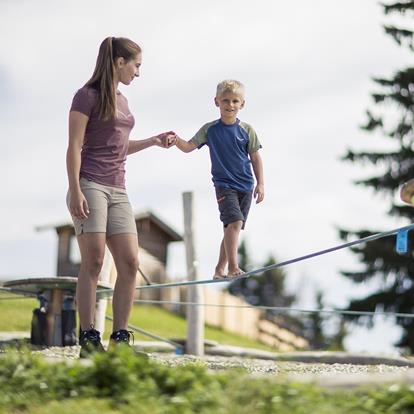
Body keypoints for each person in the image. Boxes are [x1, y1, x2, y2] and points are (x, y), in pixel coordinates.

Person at [66, 36, 175, 357]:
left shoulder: (124, 101)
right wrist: (75, 189)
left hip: (118, 188)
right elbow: (74, 145)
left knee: (129, 262)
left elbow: (118, 147)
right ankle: (88, 338)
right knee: (95, 261)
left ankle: (120, 340)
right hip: (90, 184)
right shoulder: (85, 97)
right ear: (119, 62)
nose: (138, 73)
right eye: (136, 65)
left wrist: (153, 141)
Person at [173, 79, 264, 279]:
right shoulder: (210, 129)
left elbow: (256, 158)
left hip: (246, 186)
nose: (230, 105)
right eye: (225, 101)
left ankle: (218, 270)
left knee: (232, 228)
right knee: (235, 223)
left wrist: (261, 184)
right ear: (216, 102)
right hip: (224, 186)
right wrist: (175, 140)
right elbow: (188, 146)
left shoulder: (247, 131)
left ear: (242, 104)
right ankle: (233, 267)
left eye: (234, 101)